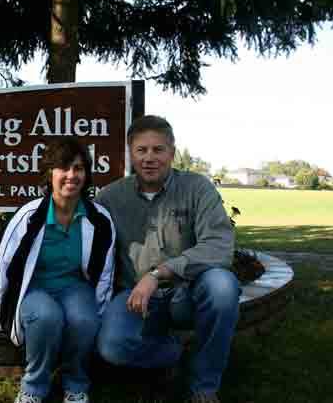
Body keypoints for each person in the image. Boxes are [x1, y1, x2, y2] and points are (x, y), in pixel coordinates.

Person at [94, 115, 239, 403]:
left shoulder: (197, 188)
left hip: (187, 293)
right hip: (135, 298)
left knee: (223, 286)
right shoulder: (110, 198)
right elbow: (89, 246)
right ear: (130, 154)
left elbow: (220, 245)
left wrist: (159, 273)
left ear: (172, 153)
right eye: (141, 150)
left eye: (158, 150)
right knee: (112, 347)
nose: (149, 158)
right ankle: (173, 355)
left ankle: (204, 386)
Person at [0, 137, 116, 403]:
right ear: (49, 173)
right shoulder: (28, 216)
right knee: (46, 317)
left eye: (78, 168)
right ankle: (33, 388)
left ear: (86, 174)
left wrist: (97, 311)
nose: (71, 175)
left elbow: (105, 272)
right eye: (63, 168)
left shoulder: (99, 218)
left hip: (74, 287)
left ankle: (76, 385)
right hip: (34, 287)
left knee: (84, 320)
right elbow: (0, 266)